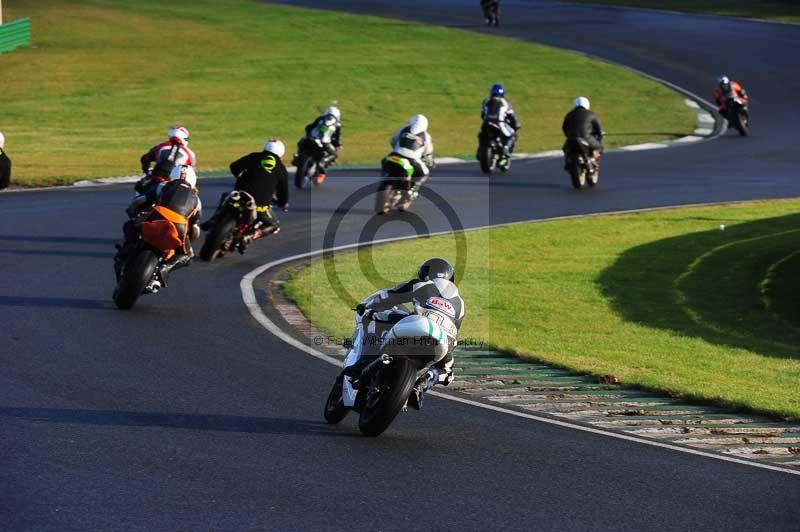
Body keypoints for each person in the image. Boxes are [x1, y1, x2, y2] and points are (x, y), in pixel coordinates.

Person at [344, 258, 465, 409]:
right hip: (444, 340)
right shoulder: (460, 303)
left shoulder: (420, 284)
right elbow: (456, 333)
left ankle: (362, 364)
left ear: (426, 273)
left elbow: (388, 296)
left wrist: (367, 307)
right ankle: (422, 384)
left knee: (376, 318)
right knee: (447, 370)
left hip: (418, 323)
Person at [115, 165, 202, 283]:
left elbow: (140, 200)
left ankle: (124, 255)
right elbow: (195, 229)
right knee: (188, 256)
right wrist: (187, 239)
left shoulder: (163, 185)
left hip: (158, 216)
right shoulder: (197, 201)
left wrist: (132, 211)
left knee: (130, 225)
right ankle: (166, 268)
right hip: (180, 226)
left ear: (171, 176)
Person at [200, 139, 288, 246]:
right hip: (259, 205)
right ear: (281, 154)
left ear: (264, 148)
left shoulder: (254, 156)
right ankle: (250, 236)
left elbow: (234, 166)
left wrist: (239, 175)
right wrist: (283, 203)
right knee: (274, 225)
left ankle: (214, 220)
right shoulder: (281, 169)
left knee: (226, 196)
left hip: (239, 195)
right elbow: (283, 190)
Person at [136, 125, 197, 195]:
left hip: (158, 177)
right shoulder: (190, 153)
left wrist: (146, 170)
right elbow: (192, 173)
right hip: (175, 182)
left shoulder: (161, 146)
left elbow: (145, 158)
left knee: (140, 187)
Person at [292, 106, 342, 182]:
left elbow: (309, 127)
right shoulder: (337, 125)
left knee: (301, 143)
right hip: (324, 143)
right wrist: (338, 144)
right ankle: (322, 162)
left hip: (310, 139)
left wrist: (309, 133)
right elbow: (337, 138)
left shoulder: (320, 119)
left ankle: (297, 157)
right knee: (334, 155)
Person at [479, 83, 520, 167]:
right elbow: (511, 116)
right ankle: (505, 150)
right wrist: (516, 125)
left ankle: (480, 150)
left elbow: (483, 115)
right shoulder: (505, 102)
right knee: (512, 134)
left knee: (481, 135)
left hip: (486, 123)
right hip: (500, 123)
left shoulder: (486, 101)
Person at [562, 96, 603, 162]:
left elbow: (564, 128)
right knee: (600, 148)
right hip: (587, 139)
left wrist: (570, 135)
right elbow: (599, 130)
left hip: (571, 140)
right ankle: (594, 161)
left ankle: (569, 161)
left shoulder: (569, 115)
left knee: (565, 149)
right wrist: (599, 139)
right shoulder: (592, 114)